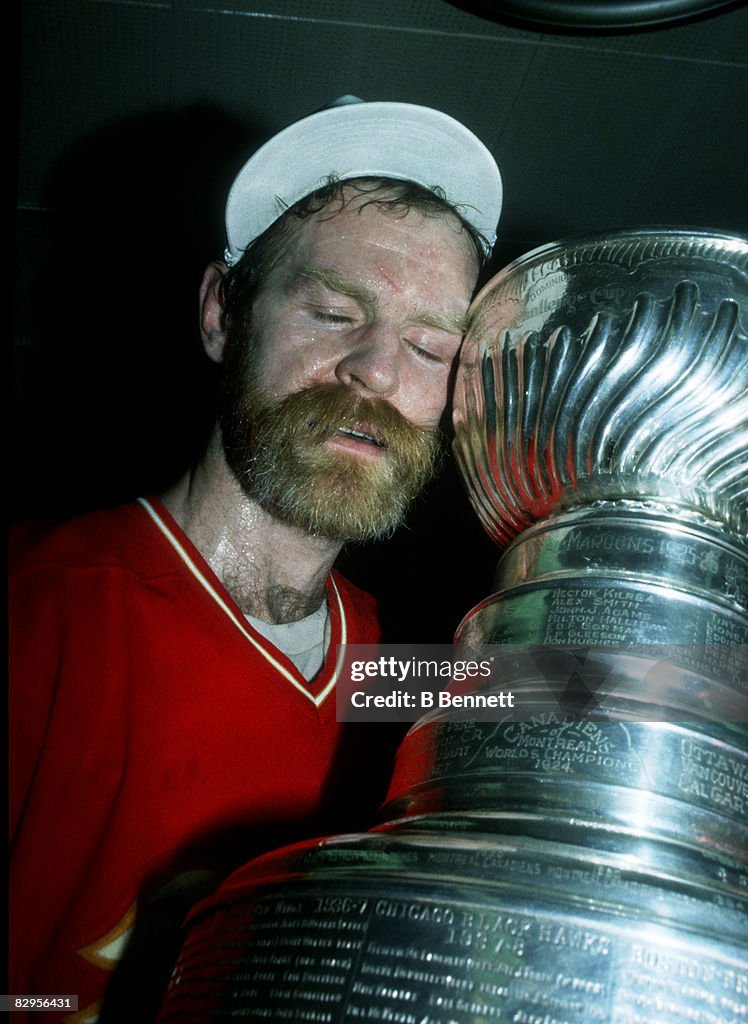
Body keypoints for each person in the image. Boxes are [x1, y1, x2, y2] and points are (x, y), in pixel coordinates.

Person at [9, 97, 502, 1022]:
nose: (377, 372)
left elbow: (624, 689)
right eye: (330, 312)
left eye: (432, 346)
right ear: (220, 315)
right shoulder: (38, 614)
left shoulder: (398, 679)